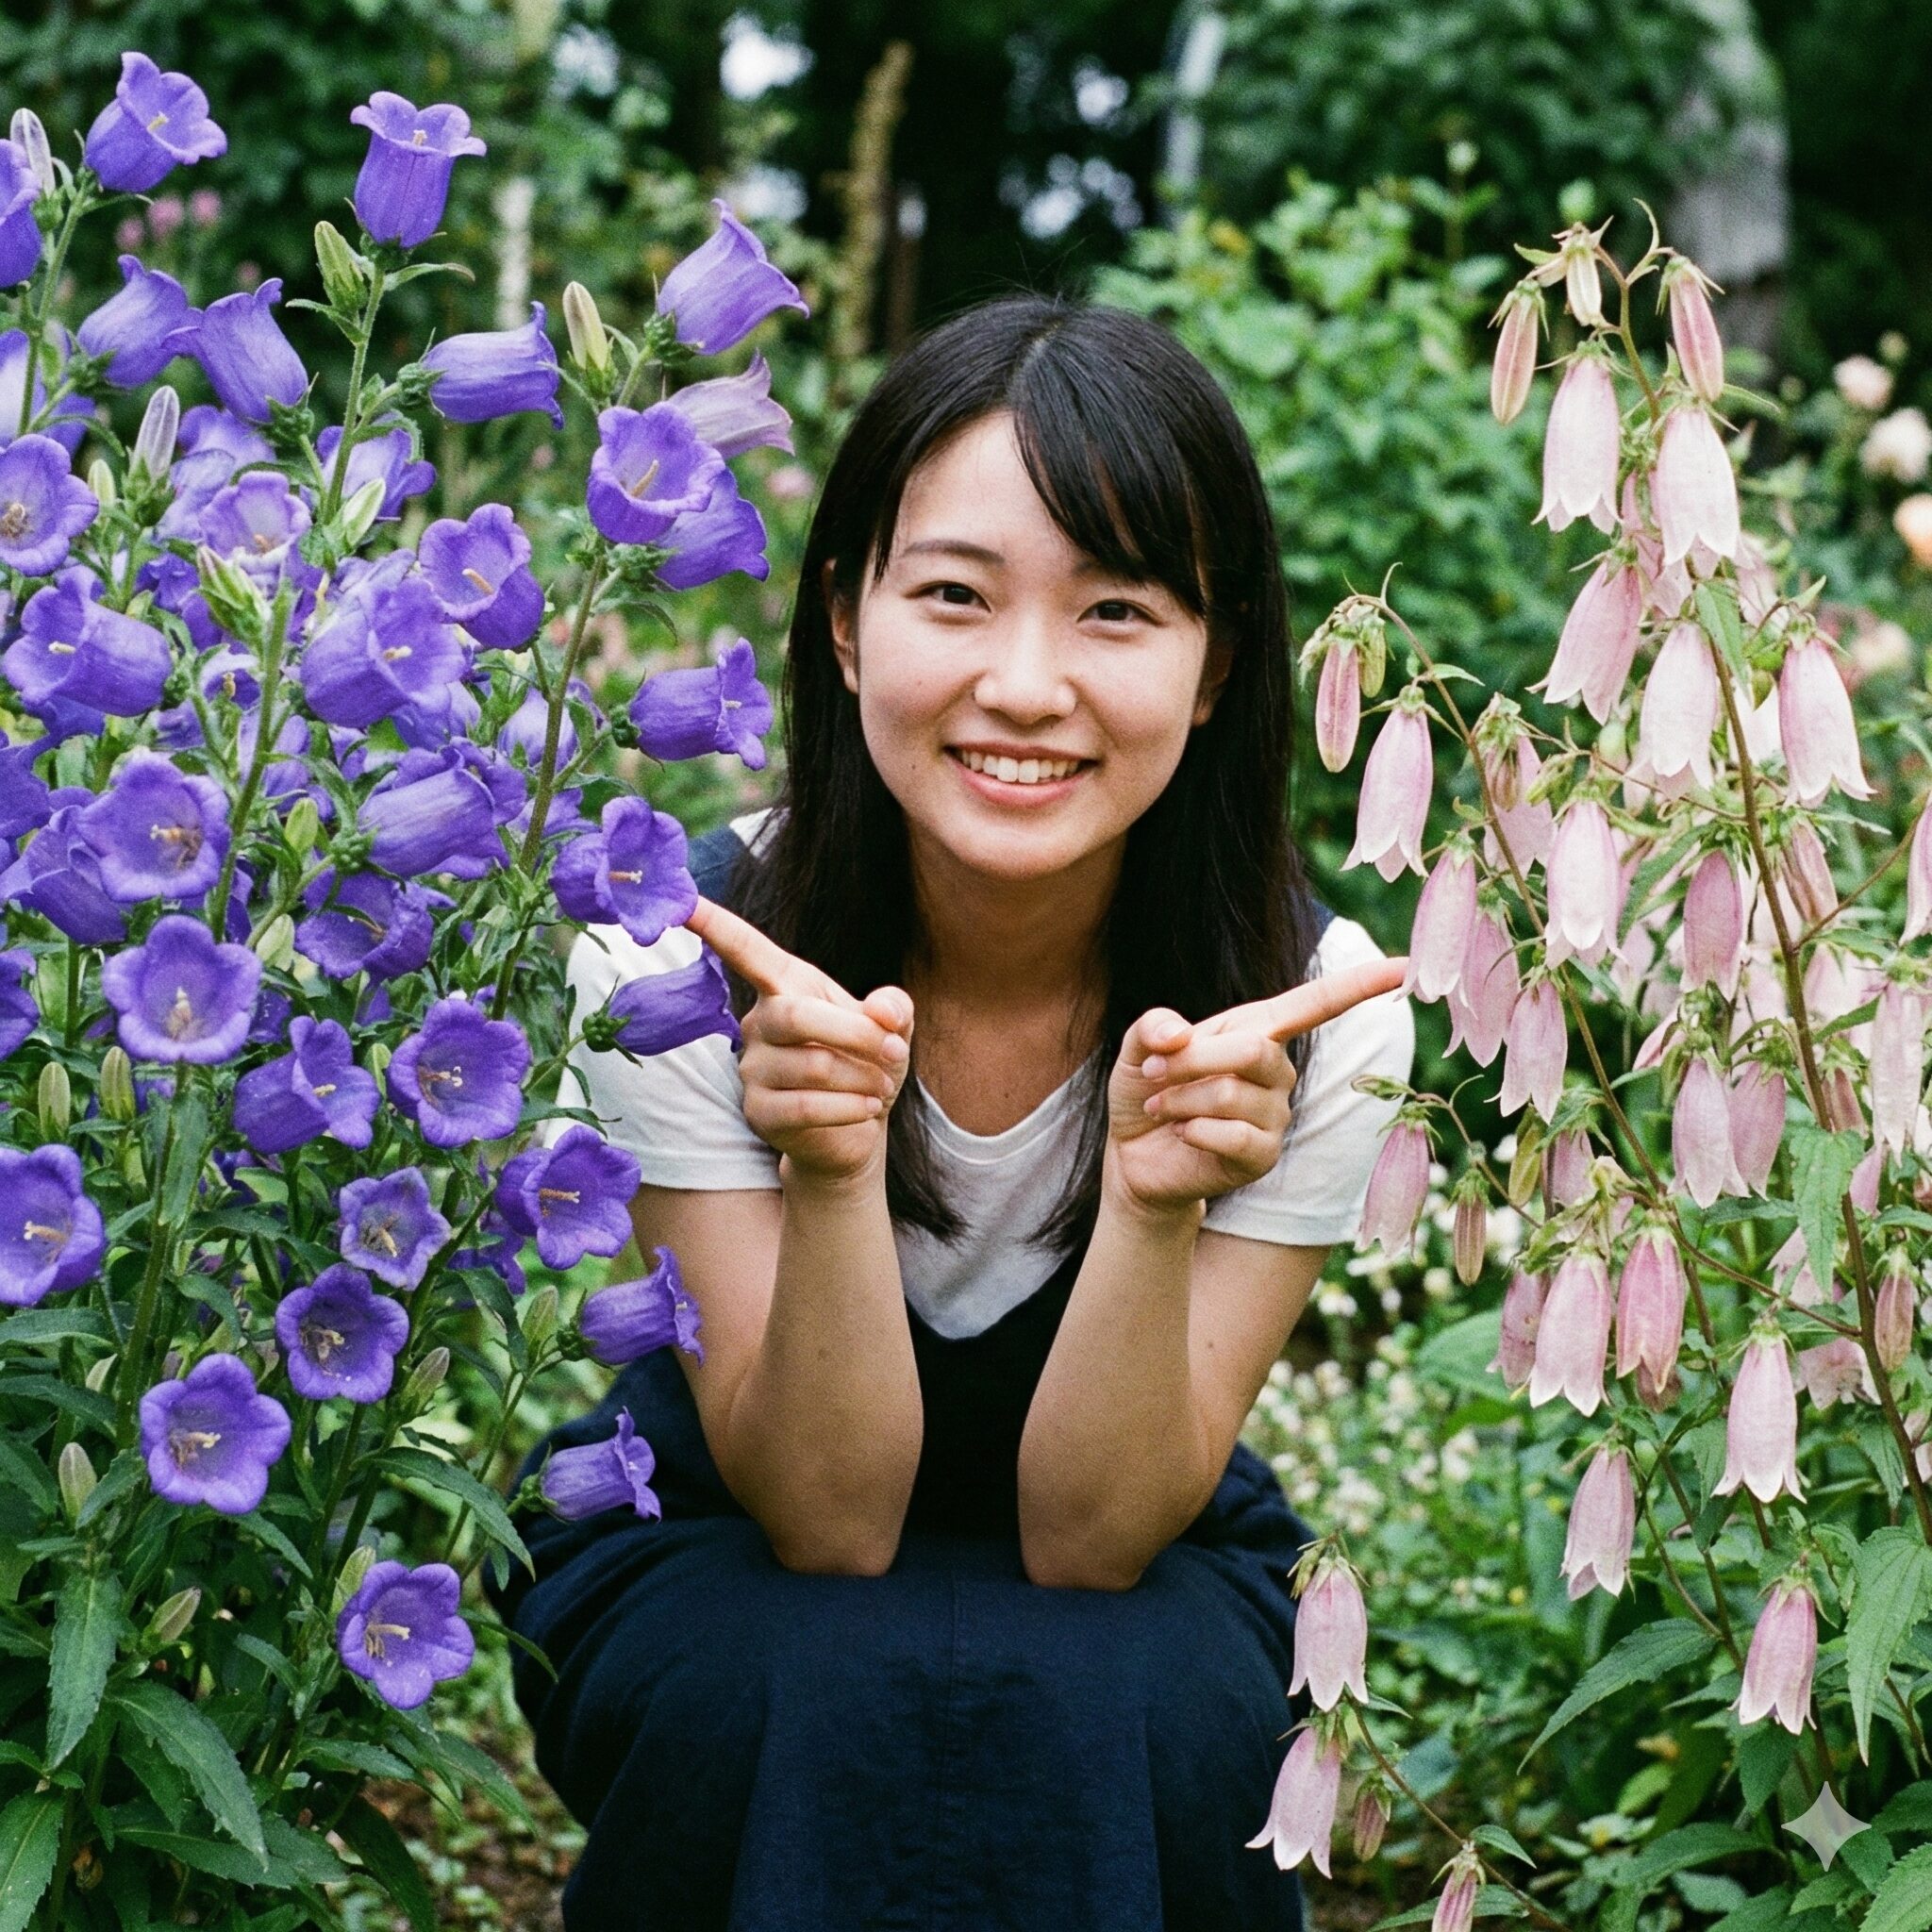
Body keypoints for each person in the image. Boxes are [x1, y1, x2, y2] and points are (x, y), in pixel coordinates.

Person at [490, 294, 1416, 1930]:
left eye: (1117, 609)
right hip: (721, 1516)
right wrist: (829, 1170)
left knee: (1149, 1707)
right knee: (782, 1689)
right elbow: (828, 1522)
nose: (1026, 684)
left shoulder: (1307, 1011)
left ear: (1216, 668)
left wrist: (1156, 1204)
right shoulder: (675, 953)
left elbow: (1093, 1542)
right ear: (847, 625)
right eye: (954, 596)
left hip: (1140, 1537)